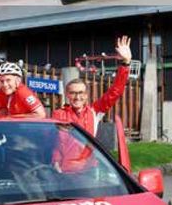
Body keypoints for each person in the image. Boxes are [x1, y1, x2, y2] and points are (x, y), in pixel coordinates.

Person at [52, 35, 132, 172]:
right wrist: (55, 162)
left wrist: (125, 63)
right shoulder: (58, 114)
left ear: (86, 95)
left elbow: (115, 92)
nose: (77, 97)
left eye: (81, 93)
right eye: (73, 93)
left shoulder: (94, 111)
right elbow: (54, 143)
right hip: (62, 170)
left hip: (88, 170)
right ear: (67, 95)